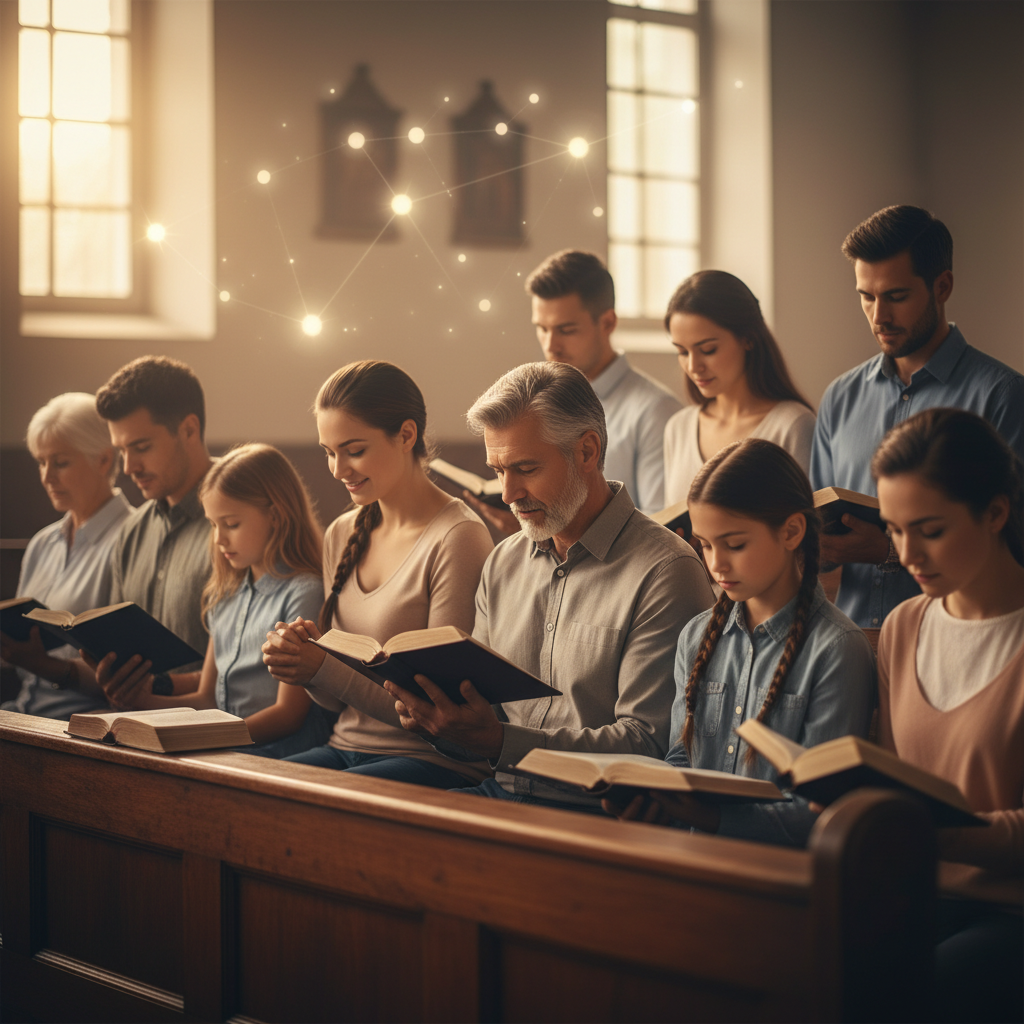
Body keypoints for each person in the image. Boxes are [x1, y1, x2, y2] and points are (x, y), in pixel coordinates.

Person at [383, 361, 715, 810]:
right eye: (498, 470)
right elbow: (487, 727)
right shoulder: (503, 562)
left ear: (587, 451)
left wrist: (500, 740)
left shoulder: (665, 570)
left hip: (594, 813)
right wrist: (441, 721)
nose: (507, 493)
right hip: (501, 794)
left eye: (525, 468)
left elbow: (648, 746)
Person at [605, 439, 874, 845]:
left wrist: (715, 819)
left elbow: (825, 812)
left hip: (779, 880)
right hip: (693, 857)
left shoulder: (837, 648)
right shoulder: (696, 637)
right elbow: (681, 758)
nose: (716, 564)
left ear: (792, 531)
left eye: (734, 545)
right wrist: (651, 800)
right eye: (706, 545)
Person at [260, 361, 495, 787]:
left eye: (353, 450)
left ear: (406, 435)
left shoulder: (458, 537)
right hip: (344, 746)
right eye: (329, 452)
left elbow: (435, 713)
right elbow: (335, 704)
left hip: (432, 762)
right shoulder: (341, 533)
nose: (337, 469)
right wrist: (302, 664)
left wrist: (321, 667)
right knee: (250, 788)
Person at [872, 408, 1023, 1024]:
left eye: (929, 530)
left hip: (1008, 913)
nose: (908, 554)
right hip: (910, 898)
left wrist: (946, 834)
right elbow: (884, 774)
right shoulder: (904, 625)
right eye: (893, 529)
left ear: (994, 513)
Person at [810, 205, 1024, 629]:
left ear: (942, 286)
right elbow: (816, 528)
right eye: (866, 297)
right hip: (849, 648)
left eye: (896, 296)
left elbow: (1014, 541)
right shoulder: (839, 397)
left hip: (961, 641)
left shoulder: (1002, 395)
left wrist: (888, 550)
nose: (878, 316)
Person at [99, 444, 333, 758]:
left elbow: (288, 715)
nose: (219, 539)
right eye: (213, 524)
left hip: (279, 751)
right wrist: (139, 703)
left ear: (275, 516)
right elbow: (207, 698)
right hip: (224, 746)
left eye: (232, 524)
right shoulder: (224, 593)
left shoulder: (303, 591)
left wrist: (210, 738)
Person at [464, 250, 681, 527]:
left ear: (607, 323)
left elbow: (661, 526)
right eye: (542, 328)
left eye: (566, 330)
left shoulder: (656, 412)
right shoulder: (535, 405)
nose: (550, 345)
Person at [83, 356, 215, 698]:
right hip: (136, 732)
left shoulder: (242, 521)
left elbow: (251, 669)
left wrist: (155, 690)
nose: (128, 467)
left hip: (219, 735)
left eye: (141, 447)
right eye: (122, 451)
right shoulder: (131, 532)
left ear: (189, 429)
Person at [0, 393, 133, 717]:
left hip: (78, 730)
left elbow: (131, 676)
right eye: (42, 462)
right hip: (21, 714)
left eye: (60, 462)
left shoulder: (132, 539)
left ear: (103, 461)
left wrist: (43, 664)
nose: (46, 477)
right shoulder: (44, 542)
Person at [662, 270, 815, 507]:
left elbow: (808, 532)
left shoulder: (792, 426)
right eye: (682, 352)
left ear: (748, 338)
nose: (693, 367)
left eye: (708, 350)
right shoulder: (678, 428)